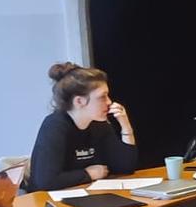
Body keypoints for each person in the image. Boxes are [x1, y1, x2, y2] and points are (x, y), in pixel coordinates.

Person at [24, 62, 138, 192]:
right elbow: (46, 181)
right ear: (79, 101)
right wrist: (88, 174)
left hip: (86, 194)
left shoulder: (99, 123)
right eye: (102, 97)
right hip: (46, 199)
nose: (109, 102)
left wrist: (125, 126)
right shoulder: (55, 126)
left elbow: (126, 167)